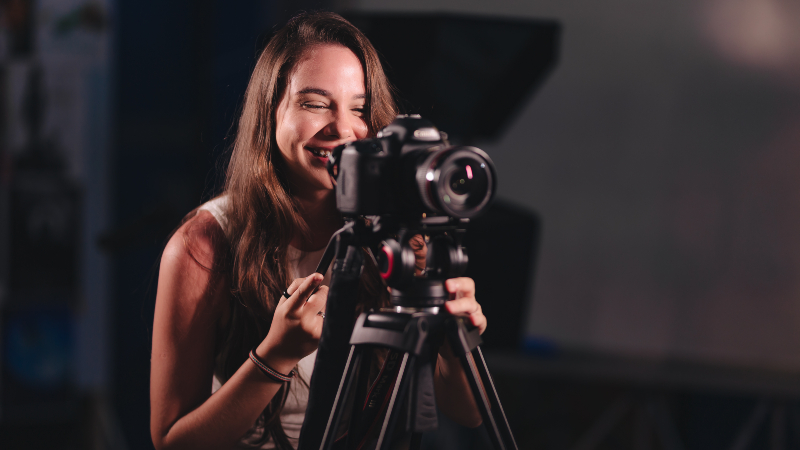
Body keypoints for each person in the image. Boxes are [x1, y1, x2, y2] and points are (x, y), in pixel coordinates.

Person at [149, 11, 488, 450]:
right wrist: (276, 356)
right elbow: (171, 441)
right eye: (314, 103)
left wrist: (455, 341)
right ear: (270, 113)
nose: (343, 129)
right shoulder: (205, 244)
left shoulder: (399, 230)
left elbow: (469, 412)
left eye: (359, 108)